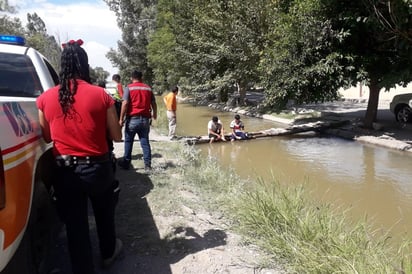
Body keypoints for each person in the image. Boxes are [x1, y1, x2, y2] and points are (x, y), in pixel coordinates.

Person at [36, 39, 123, 274]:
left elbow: (46, 137)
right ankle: (108, 254)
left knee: (76, 227)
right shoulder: (101, 95)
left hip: (65, 173)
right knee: (105, 214)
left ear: (62, 65)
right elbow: (116, 137)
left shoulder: (45, 99)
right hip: (98, 170)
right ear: (84, 64)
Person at [118, 70, 157, 171]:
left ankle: (126, 163)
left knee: (128, 141)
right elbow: (153, 103)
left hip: (132, 120)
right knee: (145, 142)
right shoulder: (148, 88)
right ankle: (148, 165)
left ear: (132, 78)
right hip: (145, 120)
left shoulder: (129, 88)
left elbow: (125, 103)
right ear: (141, 77)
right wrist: (155, 114)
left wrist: (121, 119)